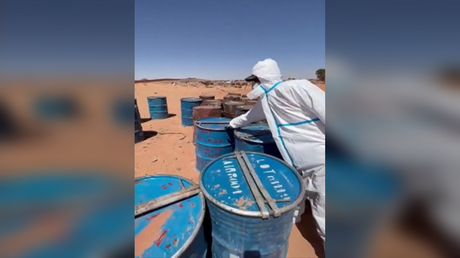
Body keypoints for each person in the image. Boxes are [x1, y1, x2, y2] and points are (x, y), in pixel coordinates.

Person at [226, 58, 326, 243]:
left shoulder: (297, 87)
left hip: (323, 160)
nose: (253, 85)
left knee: (325, 211)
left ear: (262, 77)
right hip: (298, 162)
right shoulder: (267, 100)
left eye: (254, 80)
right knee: (300, 191)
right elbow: (248, 117)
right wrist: (230, 124)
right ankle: (294, 223)